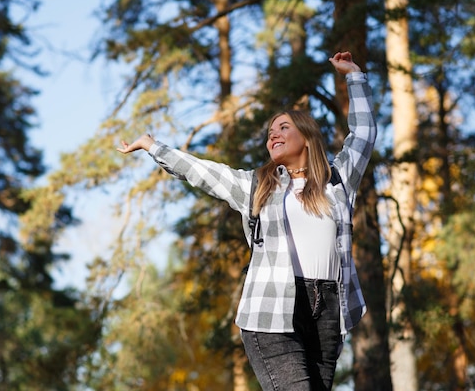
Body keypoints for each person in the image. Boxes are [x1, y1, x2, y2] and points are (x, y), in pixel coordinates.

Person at [117, 51, 376, 390]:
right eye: (270, 132)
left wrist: (353, 76)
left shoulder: (339, 182)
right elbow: (202, 172)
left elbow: (364, 134)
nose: (273, 135)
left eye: (284, 127)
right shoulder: (256, 186)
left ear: (308, 136)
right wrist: (154, 146)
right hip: (271, 311)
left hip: (328, 313)